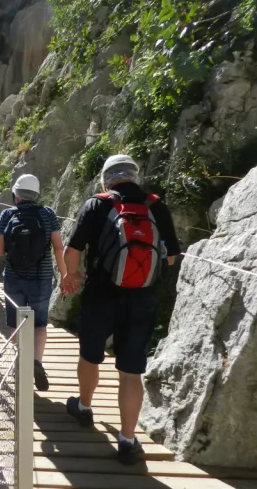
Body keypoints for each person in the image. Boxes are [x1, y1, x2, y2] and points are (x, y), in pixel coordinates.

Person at [60, 154, 180, 465]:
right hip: (142, 298)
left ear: (107, 179)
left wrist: (71, 276)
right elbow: (170, 257)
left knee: (90, 355)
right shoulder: (155, 205)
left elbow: (73, 250)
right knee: (131, 371)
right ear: (134, 177)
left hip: (100, 295)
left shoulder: (97, 205)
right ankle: (127, 440)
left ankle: (84, 408)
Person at [0, 174, 65, 391]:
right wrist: (64, 275)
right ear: (36, 194)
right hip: (42, 278)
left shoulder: (7, 214)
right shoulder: (48, 214)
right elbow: (58, 246)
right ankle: (36, 361)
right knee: (40, 323)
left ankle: (19, 364)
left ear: (16, 195)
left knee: (16, 323)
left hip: (14, 277)